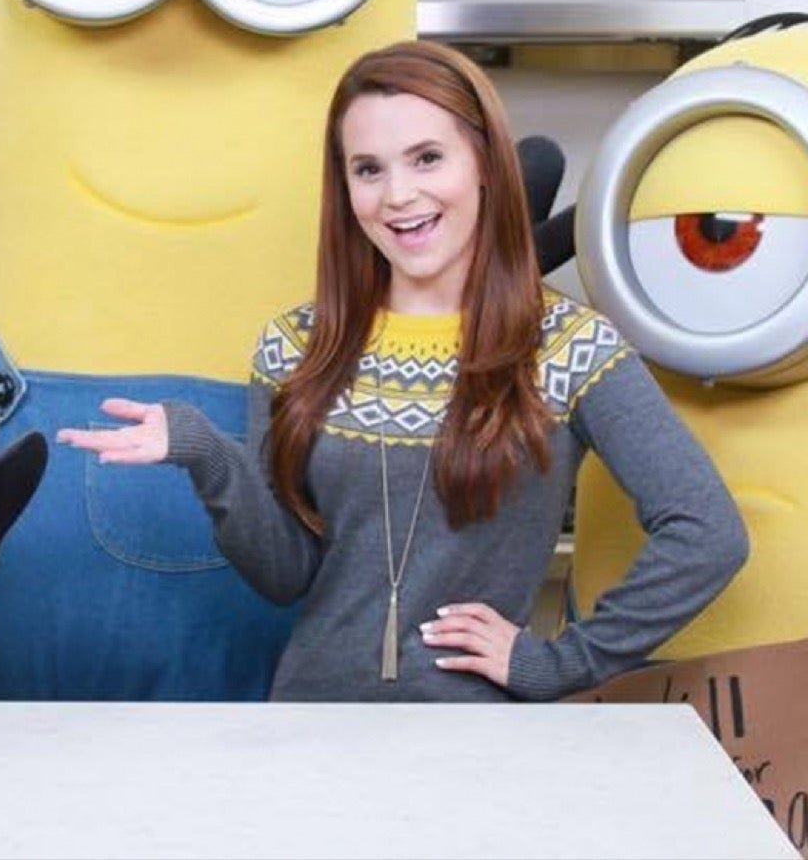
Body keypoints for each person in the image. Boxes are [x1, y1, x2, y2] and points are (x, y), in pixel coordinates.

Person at [59, 41, 747, 701]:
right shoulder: (294, 347)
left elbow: (708, 534)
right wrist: (205, 452)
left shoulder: (569, 347)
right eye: (368, 169)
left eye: (427, 158)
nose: (398, 195)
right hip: (311, 727)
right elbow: (284, 573)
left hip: (480, 746)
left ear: (484, 163)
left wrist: (562, 662)